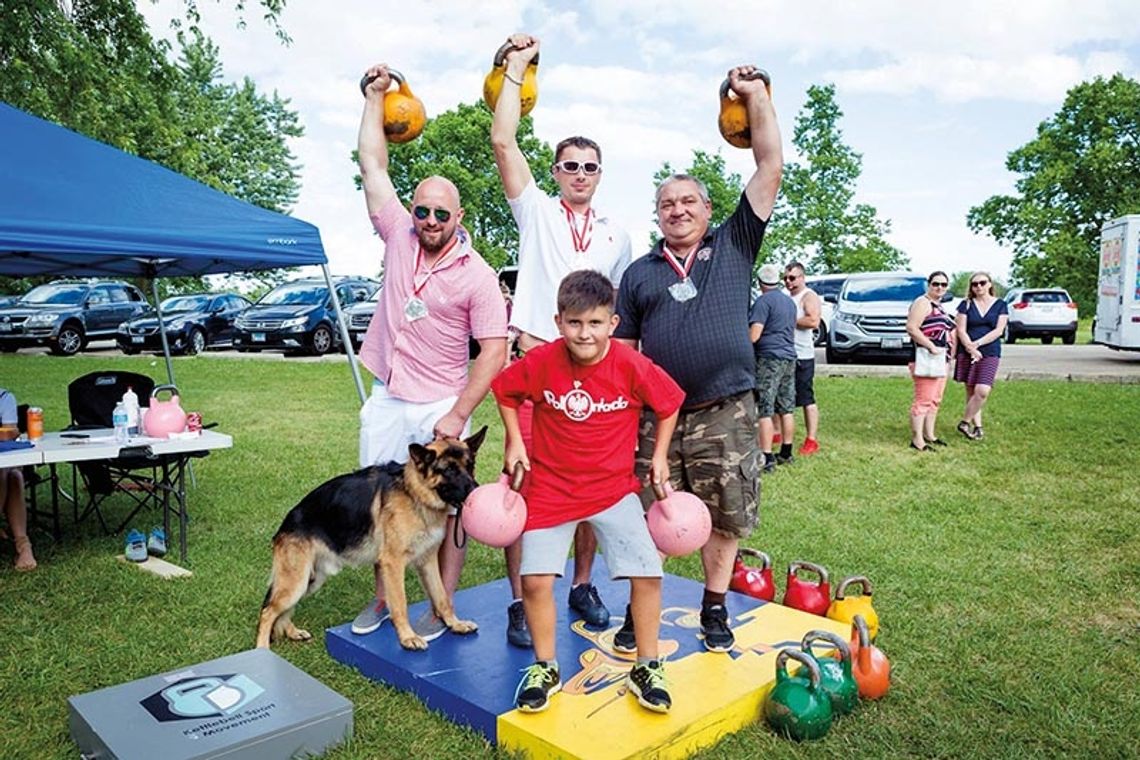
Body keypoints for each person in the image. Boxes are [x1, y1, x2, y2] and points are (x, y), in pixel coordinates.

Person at [614, 64, 781, 653]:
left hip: (724, 409)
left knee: (725, 514)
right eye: (666, 203)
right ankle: (642, 611)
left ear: (708, 210)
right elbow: (625, 357)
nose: (677, 209)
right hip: (658, 419)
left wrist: (756, 96)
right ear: (656, 215)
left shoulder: (733, 244)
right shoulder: (639, 275)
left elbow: (768, 165)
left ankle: (714, 606)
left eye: (688, 200)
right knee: (648, 518)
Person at [352, 63, 508, 639]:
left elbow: (494, 349)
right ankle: (381, 598)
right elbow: (373, 164)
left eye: (443, 213)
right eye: (423, 210)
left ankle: (445, 606)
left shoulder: (480, 275)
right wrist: (374, 99)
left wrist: (460, 414)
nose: (431, 220)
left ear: (459, 217)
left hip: (441, 403)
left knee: (449, 508)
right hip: (390, 396)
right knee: (385, 505)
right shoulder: (397, 235)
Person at [491, 33, 634, 644]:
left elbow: (619, 310)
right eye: (569, 165)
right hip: (534, 360)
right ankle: (523, 600)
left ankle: (580, 583)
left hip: (593, 372)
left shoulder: (617, 233)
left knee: (591, 485)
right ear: (555, 172)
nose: (579, 174)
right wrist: (518, 68)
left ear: (601, 174)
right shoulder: (537, 211)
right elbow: (502, 138)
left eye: (589, 166)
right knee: (524, 481)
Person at [491, 270, 684, 714]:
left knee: (648, 572)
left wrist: (657, 457)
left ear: (612, 324)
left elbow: (670, 401)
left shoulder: (629, 364)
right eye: (575, 323)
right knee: (536, 579)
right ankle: (545, 666)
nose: (585, 333)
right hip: (552, 489)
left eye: (595, 323)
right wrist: (516, 441)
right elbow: (504, 390)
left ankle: (647, 665)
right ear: (559, 322)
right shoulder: (542, 361)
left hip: (614, 490)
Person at [750, 263, 798, 473]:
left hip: (769, 357)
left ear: (760, 283)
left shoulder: (762, 302)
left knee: (765, 408)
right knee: (786, 407)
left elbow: (754, 335)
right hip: (789, 356)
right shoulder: (789, 302)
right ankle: (786, 452)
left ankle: (767, 457)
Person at [906, 271, 957, 451]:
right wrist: (930, 346)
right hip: (925, 357)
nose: (939, 288)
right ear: (929, 285)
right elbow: (912, 328)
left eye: (943, 285)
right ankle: (917, 440)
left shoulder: (939, 306)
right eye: (936, 284)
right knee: (923, 400)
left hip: (940, 358)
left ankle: (930, 434)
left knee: (935, 399)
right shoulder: (922, 303)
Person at [954, 271, 1008, 440]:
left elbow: (999, 330)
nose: (979, 287)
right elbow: (960, 329)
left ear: (990, 284)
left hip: (990, 351)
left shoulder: (1000, 305)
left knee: (982, 390)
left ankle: (964, 422)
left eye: (982, 283)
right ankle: (977, 427)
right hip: (968, 351)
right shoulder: (966, 305)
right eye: (975, 284)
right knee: (971, 391)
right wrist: (970, 348)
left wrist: (977, 344)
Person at [784, 261, 822, 455]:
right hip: (785, 354)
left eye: (792, 278)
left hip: (803, 355)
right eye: (785, 278)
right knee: (781, 395)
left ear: (802, 277)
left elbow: (813, 321)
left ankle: (811, 439)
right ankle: (777, 431)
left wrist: (787, 321)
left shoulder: (809, 296)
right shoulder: (785, 297)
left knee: (806, 397)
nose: (789, 282)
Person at [0, 389, 36, 571]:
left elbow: (9, 433)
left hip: (5, 463)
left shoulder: (4, 397)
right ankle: (23, 545)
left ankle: (23, 546)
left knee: (12, 474)